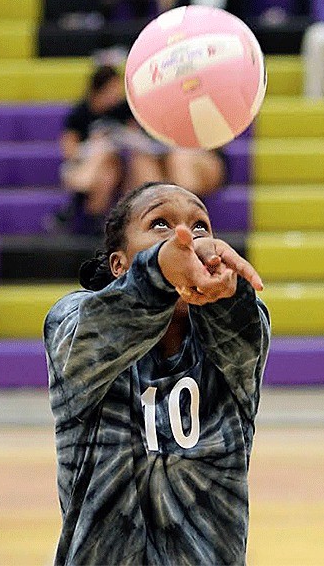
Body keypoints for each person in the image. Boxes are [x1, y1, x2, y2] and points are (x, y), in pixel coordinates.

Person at [44, 181, 271, 565]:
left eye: (200, 227)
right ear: (119, 264)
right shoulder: (73, 321)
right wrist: (159, 272)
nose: (186, 242)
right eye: (161, 224)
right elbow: (90, 337)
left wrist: (224, 292)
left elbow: (242, 325)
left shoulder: (238, 331)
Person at [54, 64, 225, 235]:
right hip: (90, 164)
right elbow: (70, 150)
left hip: (176, 162)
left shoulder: (125, 109)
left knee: (163, 160)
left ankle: (75, 206)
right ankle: (97, 220)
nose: (116, 94)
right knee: (110, 166)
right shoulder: (81, 113)